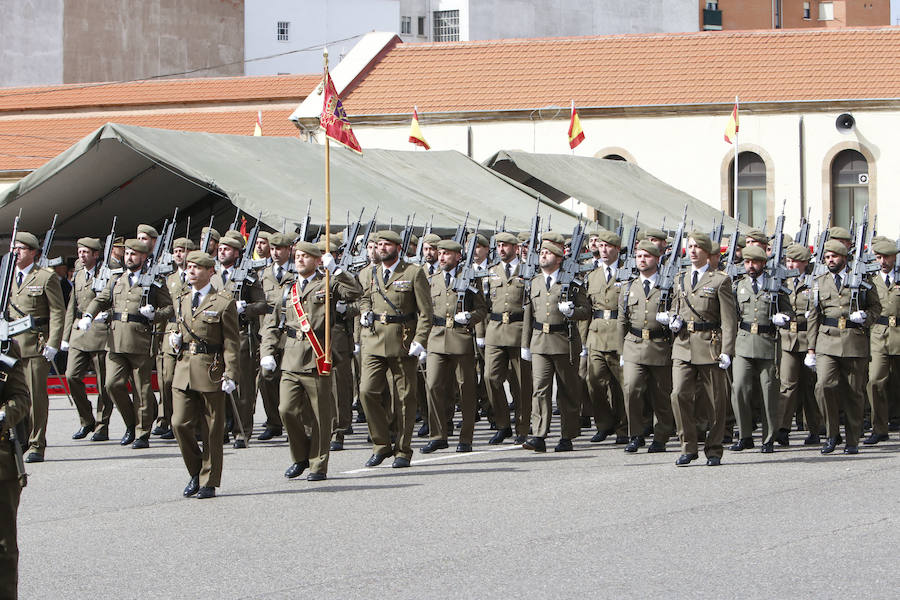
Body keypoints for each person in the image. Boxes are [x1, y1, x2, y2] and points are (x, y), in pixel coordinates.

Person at [260, 241, 362, 480]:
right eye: (298, 256)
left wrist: (336, 270)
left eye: (306, 256)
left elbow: (356, 293)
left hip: (319, 356)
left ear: (317, 261)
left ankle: (318, 464)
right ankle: (300, 456)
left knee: (320, 416)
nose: (299, 260)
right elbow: (273, 324)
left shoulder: (327, 283)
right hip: (291, 358)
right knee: (286, 410)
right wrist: (267, 352)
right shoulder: (289, 289)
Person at [80, 239, 173, 449]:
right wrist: (88, 315)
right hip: (116, 341)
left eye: (134, 254)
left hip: (141, 341)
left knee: (142, 390)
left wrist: (154, 315)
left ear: (143, 257)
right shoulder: (116, 279)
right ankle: (131, 424)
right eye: (127, 254)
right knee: (112, 384)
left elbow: (169, 309)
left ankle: (142, 433)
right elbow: (101, 299)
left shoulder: (155, 281)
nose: (129, 258)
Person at [356, 230, 432, 468]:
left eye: (386, 245)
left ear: (398, 248)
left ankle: (403, 450)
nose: (381, 248)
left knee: (404, 398)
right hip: (374, 339)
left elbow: (425, 312)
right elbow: (364, 297)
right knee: (367, 392)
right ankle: (381, 444)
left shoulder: (413, 272)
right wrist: (365, 311)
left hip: (402, 341)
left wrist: (420, 340)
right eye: (378, 244)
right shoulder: (370, 272)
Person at [168, 250, 240, 499]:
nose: (191, 270)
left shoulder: (223, 301)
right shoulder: (182, 298)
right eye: (189, 267)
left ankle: (209, 480)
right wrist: (173, 339)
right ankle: (196, 470)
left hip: (211, 370)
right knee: (179, 423)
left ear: (211, 272)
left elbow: (231, 341)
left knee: (212, 430)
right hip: (184, 368)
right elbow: (177, 326)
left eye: (197, 267)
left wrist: (230, 373)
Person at [662, 232, 736, 466]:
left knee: (715, 402)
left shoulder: (719, 280)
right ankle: (688, 445)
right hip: (683, 344)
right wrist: (672, 320)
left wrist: (727, 350)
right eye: (690, 246)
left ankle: (713, 449)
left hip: (709, 345)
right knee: (678, 394)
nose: (692, 251)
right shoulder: (680, 278)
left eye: (697, 247)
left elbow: (729, 320)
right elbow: (676, 307)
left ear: (706, 252)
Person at [806, 240, 881, 454]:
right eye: (827, 257)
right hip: (826, 341)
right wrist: (811, 349)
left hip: (854, 341)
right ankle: (831, 434)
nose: (830, 260)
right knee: (823, 386)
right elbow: (814, 316)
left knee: (854, 393)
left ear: (844, 258)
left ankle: (852, 440)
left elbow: (877, 307)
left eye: (834, 257)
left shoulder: (861, 280)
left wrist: (865, 318)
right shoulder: (819, 282)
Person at [521, 240, 590, 453]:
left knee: (567, 391)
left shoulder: (573, 284)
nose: (543, 256)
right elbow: (528, 316)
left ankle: (567, 435)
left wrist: (572, 312)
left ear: (559, 258)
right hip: (540, 340)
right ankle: (539, 435)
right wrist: (525, 344)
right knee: (540, 389)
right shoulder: (534, 283)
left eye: (548, 253)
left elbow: (586, 311)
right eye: (541, 252)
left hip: (564, 342)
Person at [421, 239, 487, 453]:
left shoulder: (469, 280)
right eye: (439, 253)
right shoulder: (431, 280)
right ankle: (438, 434)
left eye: (446, 254)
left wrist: (469, 317)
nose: (441, 257)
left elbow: (482, 310)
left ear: (458, 256)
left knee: (465, 389)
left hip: (461, 337)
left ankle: (466, 437)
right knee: (432, 386)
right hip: (436, 337)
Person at [729, 244, 793, 453]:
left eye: (755, 262)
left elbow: (790, 312)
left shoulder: (776, 286)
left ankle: (768, 438)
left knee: (769, 392)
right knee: (739, 388)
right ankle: (745, 434)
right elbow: (732, 316)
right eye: (747, 262)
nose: (750, 266)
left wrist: (783, 318)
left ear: (763, 264)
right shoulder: (738, 286)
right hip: (744, 343)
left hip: (768, 343)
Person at [9, 232, 65, 463]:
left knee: (36, 397)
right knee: (14, 395)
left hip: (35, 344)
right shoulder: (7, 276)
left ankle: (36, 443)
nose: (16, 252)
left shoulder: (45, 277)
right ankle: (20, 440)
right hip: (11, 346)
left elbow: (57, 311)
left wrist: (53, 343)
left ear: (33, 252)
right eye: (14, 248)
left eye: (21, 248)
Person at [616, 240, 675, 453]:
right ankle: (636, 434)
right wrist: (621, 350)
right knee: (631, 389)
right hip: (633, 345)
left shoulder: (669, 286)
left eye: (647, 256)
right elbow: (622, 320)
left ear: (657, 259)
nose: (642, 260)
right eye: (639, 256)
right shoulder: (629, 287)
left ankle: (661, 436)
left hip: (660, 345)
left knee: (662, 396)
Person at [213, 234, 267, 448]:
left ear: (237, 252)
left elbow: (263, 304)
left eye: (227, 249)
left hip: (241, 335)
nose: (222, 252)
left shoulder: (248, 276)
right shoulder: (213, 275)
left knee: (241, 387)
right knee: (218, 384)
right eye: (221, 249)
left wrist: (247, 308)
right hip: (216, 336)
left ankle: (242, 431)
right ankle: (223, 427)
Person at [482, 231, 532, 444]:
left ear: (515, 248)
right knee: (490, 378)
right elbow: (483, 303)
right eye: (499, 245)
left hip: (519, 329)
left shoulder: (527, 271)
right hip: (494, 330)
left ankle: (522, 426)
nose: (501, 249)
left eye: (505, 246)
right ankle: (503, 424)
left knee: (521, 384)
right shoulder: (491, 272)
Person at [62, 237, 114, 442]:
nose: (82, 256)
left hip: (99, 332)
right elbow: (71, 307)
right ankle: (86, 420)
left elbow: (112, 300)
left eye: (86, 252)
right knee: (71, 376)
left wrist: (105, 315)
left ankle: (102, 425)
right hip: (79, 332)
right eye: (80, 252)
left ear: (96, 254)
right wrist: (65, 336)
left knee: (103, 384)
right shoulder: (78, 275)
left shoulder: (107, 274)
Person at [584, 228, 628, 444]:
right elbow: (587, 310)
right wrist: (584, 341)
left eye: (608, 246)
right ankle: (603, 424)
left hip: (618, 334)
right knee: (594, 382)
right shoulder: (592, 276)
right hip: (596, 334)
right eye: (600, 246)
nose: (603, 250)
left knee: (621, 386)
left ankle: (623, 428)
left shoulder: (627, 274)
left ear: (617, 249)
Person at [776, 244, 822, 446]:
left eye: (794, 261)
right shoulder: (782, 281)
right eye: (788, 261)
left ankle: (815, 429)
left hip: (808, 337)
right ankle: (783, 429)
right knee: (787, 385)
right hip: (788, 338)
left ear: (804, 263)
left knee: (810, 387)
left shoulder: (815, 282)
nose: (790, 264)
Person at [256, 232, 296, 441]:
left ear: (289, 249)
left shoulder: (297, 272)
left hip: (291, 333)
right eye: (272, 249)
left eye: (279, 249)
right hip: (269, 332)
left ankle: (293, 424)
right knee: (267, 377)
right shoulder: (263, 274)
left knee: (291, 379)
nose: (275, 253)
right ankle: (273, 422)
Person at [154, 237, 195, 439]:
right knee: (167, 379)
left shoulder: (198, 277)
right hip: (171, 331)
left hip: (191, 332)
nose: (179, 254)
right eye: (176, 251)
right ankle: (170, 420)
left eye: (182, 250)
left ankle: (187, 422)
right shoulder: (168, 279)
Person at [0, 337, 30, 600]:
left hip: (1, 465)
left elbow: (21, 398)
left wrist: (2, 417)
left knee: (4, 548)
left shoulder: (4, 346)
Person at [865, 239, 900, 445]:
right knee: (875, 381)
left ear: (894, 257)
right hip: (878, 334)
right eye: (879, 257)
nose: (883, 261)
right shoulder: (870, 280)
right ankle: (879, 427)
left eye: (886, 257)